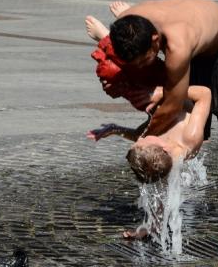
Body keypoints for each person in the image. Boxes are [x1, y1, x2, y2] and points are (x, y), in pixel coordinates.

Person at [95, 0, 218, 255]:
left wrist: (156, 101)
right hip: (189, 45)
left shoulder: (177, 43)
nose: (142, 66)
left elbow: (172, 106)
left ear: (154, 42)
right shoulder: (129, 26)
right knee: (163, 134)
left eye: (144, 59)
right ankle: (156, 224)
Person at [87, 84, 211, 239]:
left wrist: (115, 129)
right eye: (143, 141)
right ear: (161, 146)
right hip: (185, 80)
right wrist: (166, 91)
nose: (141, 138)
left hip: (167, 94)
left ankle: (153, 226)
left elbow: (139, 138)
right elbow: (205, 94)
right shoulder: (189, 138)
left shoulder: (159, 156)